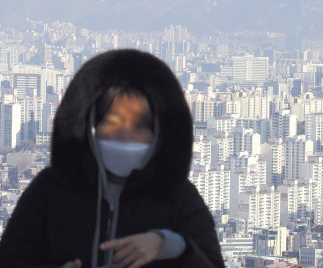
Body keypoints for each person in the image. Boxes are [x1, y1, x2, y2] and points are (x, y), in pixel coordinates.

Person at [0, 49, 226, 268]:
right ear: (89, 126)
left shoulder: (178, 197)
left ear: (160, 132)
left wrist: (172, 246)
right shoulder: (50, 190)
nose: (125, 135)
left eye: (140, 125)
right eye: (112, 121)